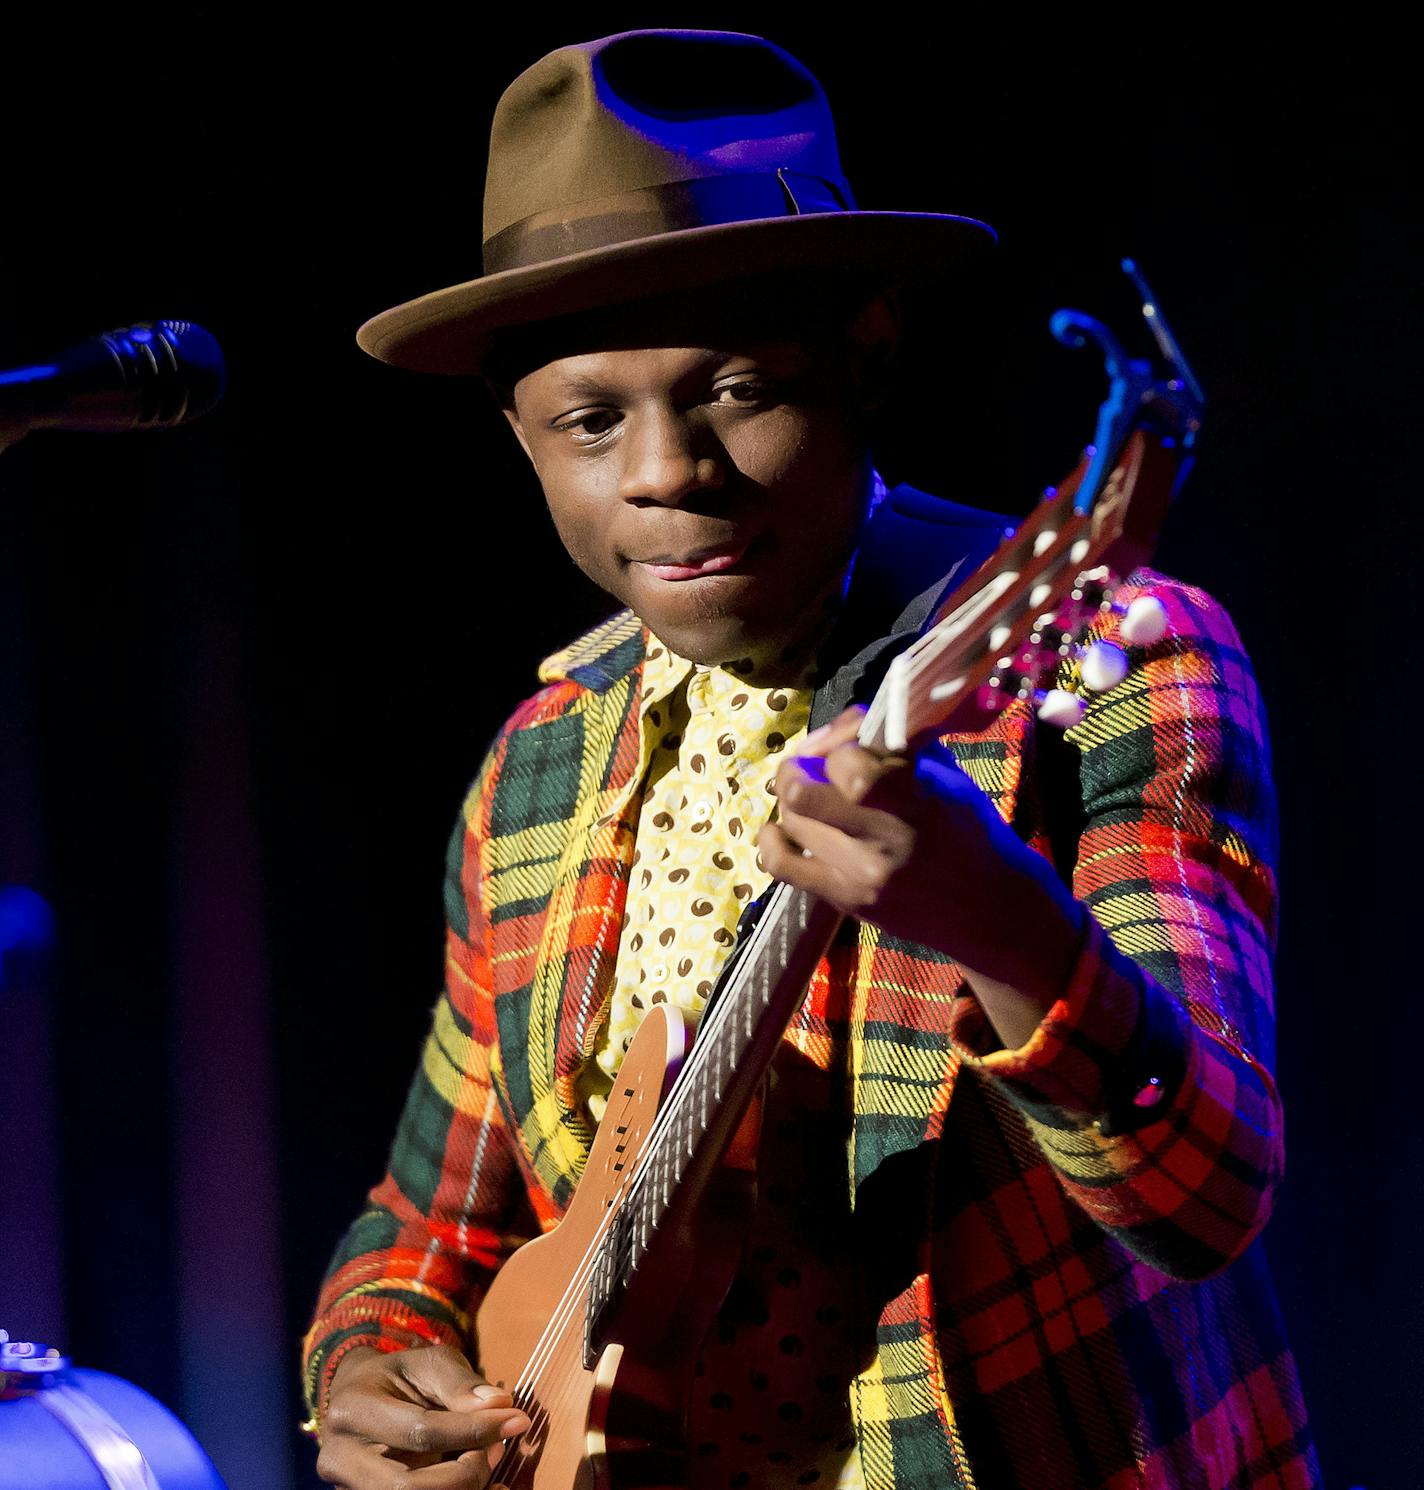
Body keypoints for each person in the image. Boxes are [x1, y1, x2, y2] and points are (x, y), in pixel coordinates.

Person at [300, 29, 1319, 1490]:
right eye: (591, 421)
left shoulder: (1113, 657)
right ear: (518, 436)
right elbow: (424, 1222)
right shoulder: (539, 760)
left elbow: (1204, 1191)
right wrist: (365, 1367)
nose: (663, 471)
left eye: (735, 388)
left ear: (870, 355)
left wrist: (999, 918)